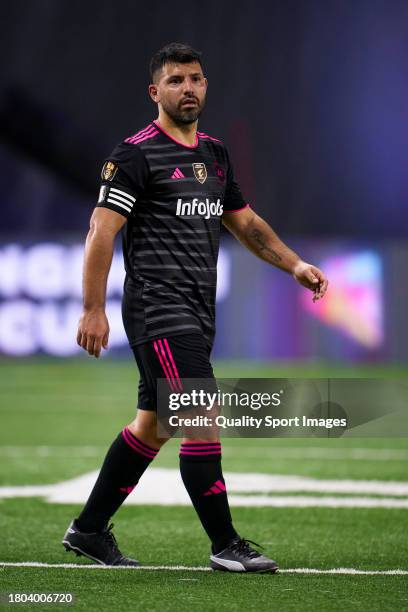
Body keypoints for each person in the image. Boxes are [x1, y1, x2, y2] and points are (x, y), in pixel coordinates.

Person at [62, 42, 328, 573]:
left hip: (198, 312)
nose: (189, 88)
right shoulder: (135, 154)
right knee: (200, 415)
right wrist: (93, 308)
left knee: (154, 427)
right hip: (159, 312)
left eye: (197, 79)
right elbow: (100, 231)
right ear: (154, 91)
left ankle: (89, 531)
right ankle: (225, 543)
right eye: (178, 79)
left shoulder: (215, 153)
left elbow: (246, 224)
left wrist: (295, 265)